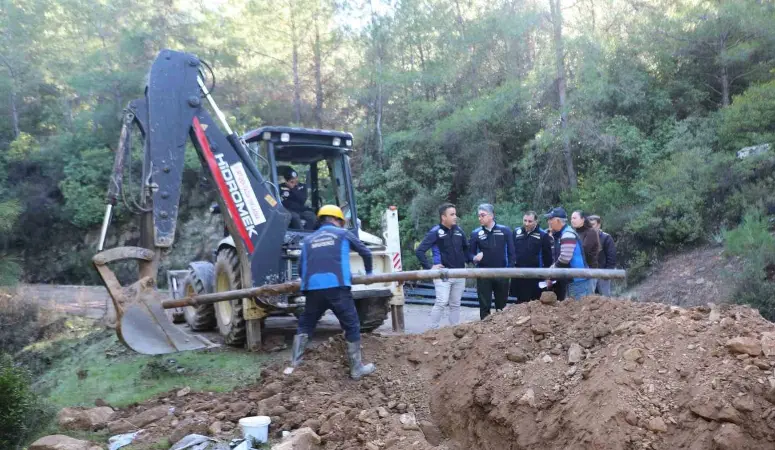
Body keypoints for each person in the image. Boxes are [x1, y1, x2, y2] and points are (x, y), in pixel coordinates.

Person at [290, 205, 376, 380]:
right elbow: (366, 252)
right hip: (337, 287)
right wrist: (368, 274)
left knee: (305, 325)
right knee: (351, 324)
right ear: (337, 220)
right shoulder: (343, 234)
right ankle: (356, 369)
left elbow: (300, 268)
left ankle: (294, 364)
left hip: (312, 290)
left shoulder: (308, 240)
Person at [415, 203, 469, 329]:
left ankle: (454, 329)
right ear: (443, 217)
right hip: (443, 274)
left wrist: (470, 259)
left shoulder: (459, 231)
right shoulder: (435, 232)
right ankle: (432, 330)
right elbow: (419, 251)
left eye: (455, 214)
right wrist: (430, 267)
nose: (455, 217)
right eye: (452, 214)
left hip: (460, 273)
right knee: (441, 302)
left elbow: (466, 249)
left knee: (455, 304)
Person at [469, 204, 515, 319]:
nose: (480, 218)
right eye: (478, 216)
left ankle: (501, 333)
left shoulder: (505, 231)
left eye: (482, 215)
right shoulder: (476, 233)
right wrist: (474, 258)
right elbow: (469, 254)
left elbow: (512, 253)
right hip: (483, 274)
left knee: (501, 307)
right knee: (484, 306)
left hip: (502, 273)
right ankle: (484, 333)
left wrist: (508, 271)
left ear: (491, 215)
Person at [544, 207, 589, 300]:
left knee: (577, 310)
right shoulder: (564, 233)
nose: (549, 222)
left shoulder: (567, 235)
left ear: (557, 221)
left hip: (576, 281)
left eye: (550, 219)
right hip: (573, 280)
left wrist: (551, 273)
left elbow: (564, 258)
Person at [511, 211, 554, 303]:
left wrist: (548, 276)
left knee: (534, 302)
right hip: (519, 274)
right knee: (519, 302)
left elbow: (548, 258)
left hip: (535, 274)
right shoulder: (516, 232)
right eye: (525, 220)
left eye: (530, 221)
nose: (527, 223)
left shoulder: (543, 235)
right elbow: (512, 251)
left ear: (536, 221)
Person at [571, 210, 600, 294]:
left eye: (574, 218)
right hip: (577, 271)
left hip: (589, 270)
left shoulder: (591, 232)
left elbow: (584, 250)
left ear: (583, 219)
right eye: (571, 218)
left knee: (588, 298)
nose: (572, 220)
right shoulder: (574, 232)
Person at [589, 215, 616, 296]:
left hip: (603, 273)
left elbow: (612, 257)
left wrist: (607, 273)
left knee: (605, 299)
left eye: (592, 224)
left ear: (599, 224)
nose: (590, 227)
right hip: (589, 274)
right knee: (590, 300)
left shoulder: (606, 238)